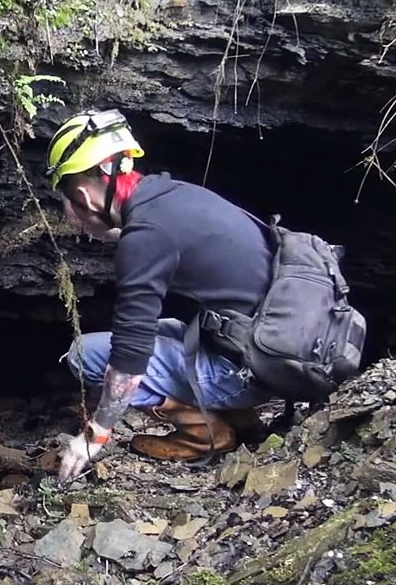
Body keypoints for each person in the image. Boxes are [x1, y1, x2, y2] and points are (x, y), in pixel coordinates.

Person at [45, 109, 282, 481]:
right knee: (173, 325)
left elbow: (130, 358)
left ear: (82, 197)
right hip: (281, 348)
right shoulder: (173, 197)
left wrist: (96, 436)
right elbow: (158, 240)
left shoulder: (145, 240)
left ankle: (205, 432)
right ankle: (243, 420)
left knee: (86, 355)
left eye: (72, 205)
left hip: (254, 372)